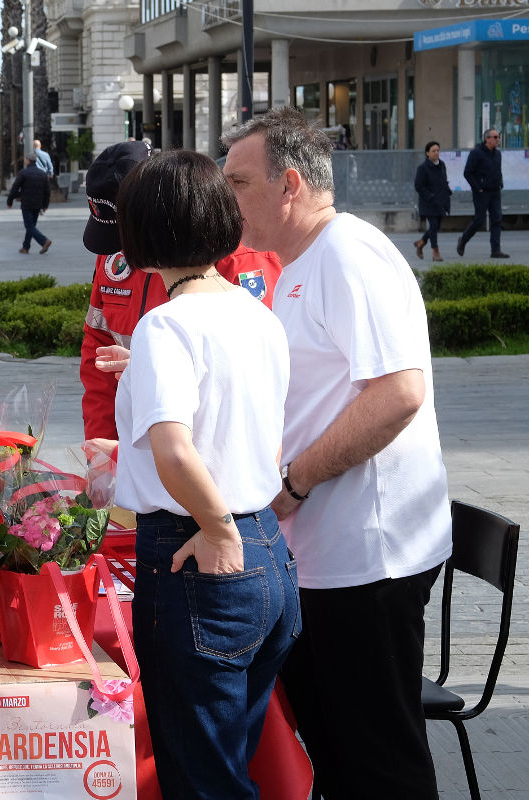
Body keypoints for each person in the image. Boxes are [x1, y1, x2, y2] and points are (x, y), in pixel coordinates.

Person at [222, 106, 451, 799]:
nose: (225, 198)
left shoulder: (349, 254)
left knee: (377, 759)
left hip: (366, 558)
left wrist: (293, 483)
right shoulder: (299, 262)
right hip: (323, 555)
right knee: (338, 748)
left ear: (288, 183)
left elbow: (398, 394)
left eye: (237, 182)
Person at [100, 148, 297, 800]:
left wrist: (215, 528)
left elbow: (177, 451)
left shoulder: (167, 324)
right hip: (268, 553)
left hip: (203, 555)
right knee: (230, 762)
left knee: (203, 779)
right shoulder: (257, 314)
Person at [79, 140, 283, 440]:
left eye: (127, 230)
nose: (123, 248)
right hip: (140, 450)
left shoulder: (240, 260)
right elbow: (97, 355)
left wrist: (154, 370)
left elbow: (254, 381)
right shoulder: (113, 258)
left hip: (203, 450)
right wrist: (103, 446)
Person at [457, 128, 507, 258]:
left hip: (495, 191)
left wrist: (500, 182)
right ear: (487, 139)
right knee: (479, 220)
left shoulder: (497, 154)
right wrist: (477, 187)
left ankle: (495, 250)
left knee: (497, 220)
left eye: (498, 137)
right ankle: (463, 240)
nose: (498, 139)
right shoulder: (476, 153)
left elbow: (498, 170)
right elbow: (467, 172)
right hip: (482, 192)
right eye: (495, 137)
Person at [413, 141, 451, 262]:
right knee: (433, 225)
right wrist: (429, 196)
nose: (436, 153)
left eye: (438, 150)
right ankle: (435, 252)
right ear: (427, 153)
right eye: (433, 151)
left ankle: (421, 242)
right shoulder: (423, 168)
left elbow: (444, 181)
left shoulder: (442, 165)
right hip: (429, 202)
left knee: (436, 226)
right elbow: (418, 185)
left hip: (441, 201)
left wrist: (447, 191)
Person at [7, 155, 51, 254]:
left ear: (27, 161)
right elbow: (47, 191)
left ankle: (44, 241)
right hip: (38, 204)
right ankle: (25, 247)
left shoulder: (23, 173)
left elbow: (15, 187)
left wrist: (10, 201)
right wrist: (45, 205)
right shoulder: (42, 174)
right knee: (31, 226)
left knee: (29, 226)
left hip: (27, 204)